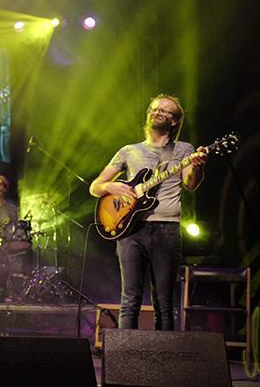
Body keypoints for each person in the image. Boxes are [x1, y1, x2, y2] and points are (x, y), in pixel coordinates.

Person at [88, 94, 208, 330]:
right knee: (129, 300)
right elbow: (95, 187)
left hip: (167, 229)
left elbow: (191, 184)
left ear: (175, 121)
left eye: (165, 111)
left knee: (164, 302)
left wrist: (196, 167)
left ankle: (164, 361)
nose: (157, 112)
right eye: (154, 109)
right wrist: (111, 186)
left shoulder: (184, 150)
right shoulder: (128, 151)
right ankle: (124, 359)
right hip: (131, 231)